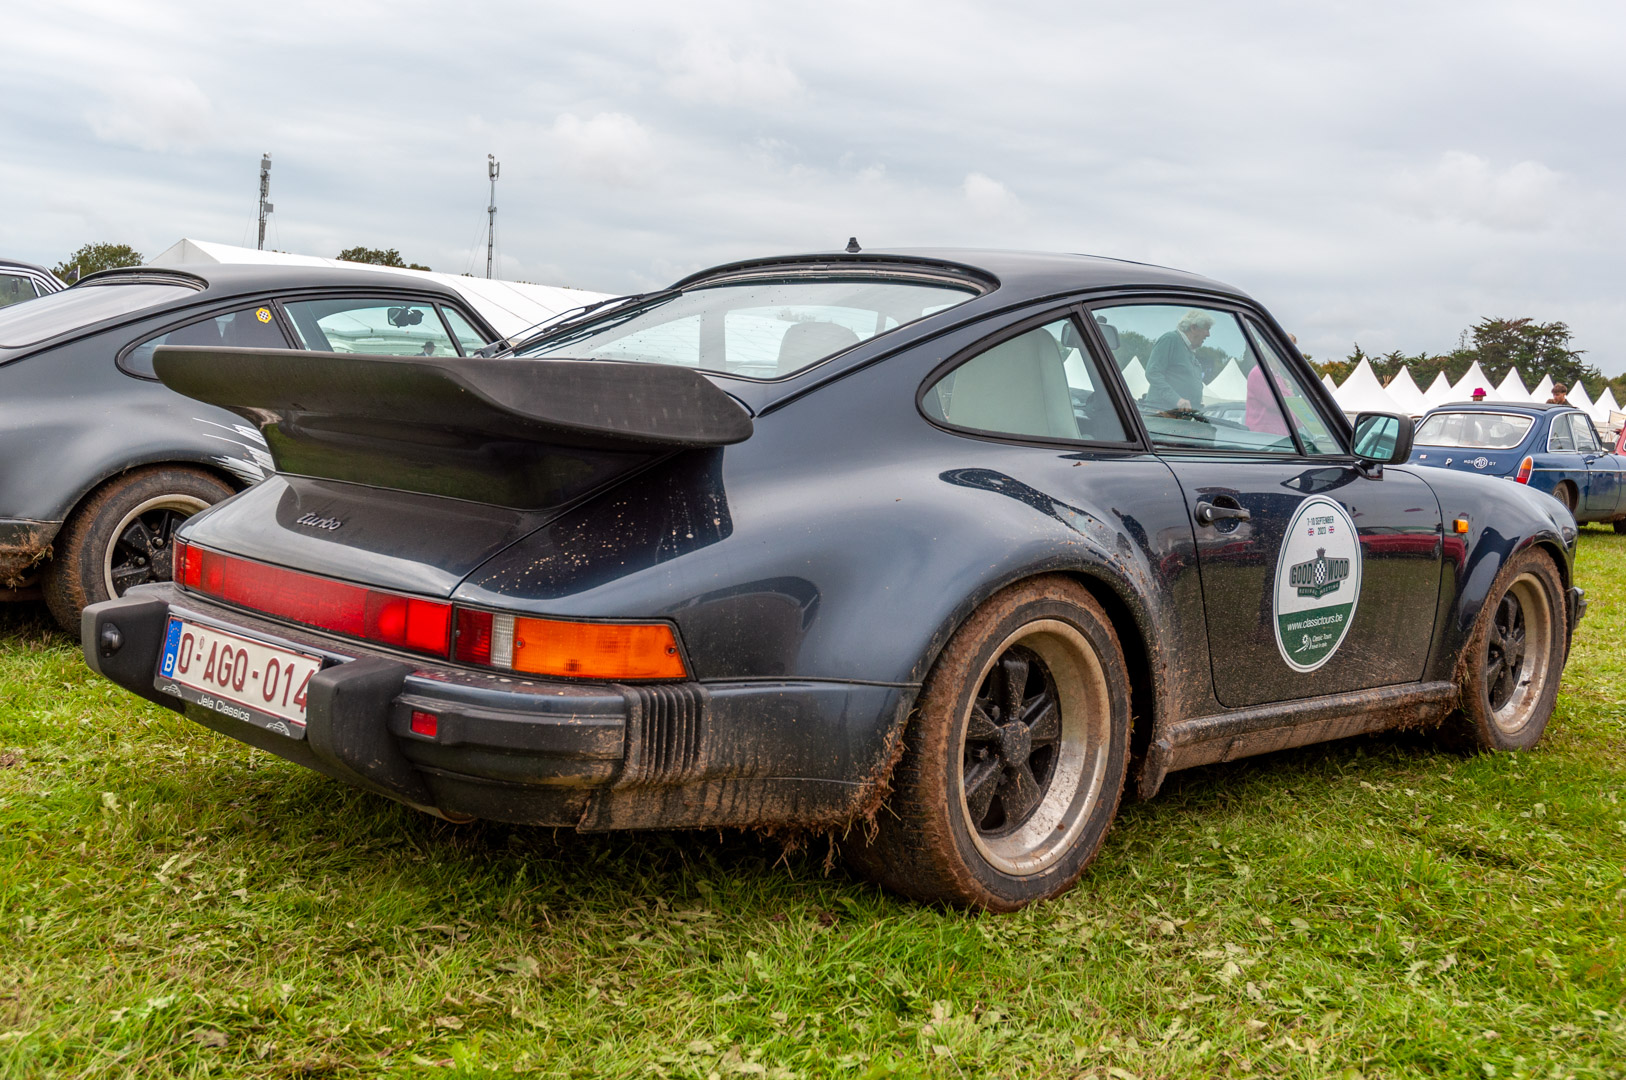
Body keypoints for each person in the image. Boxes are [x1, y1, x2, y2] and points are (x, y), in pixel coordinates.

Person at [1144, 310, 1213, 411]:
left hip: (1179, 418)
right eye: (1206, 329)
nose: (1208, 334)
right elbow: (1152, 373)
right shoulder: (1170, 339)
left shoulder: (1189, 350)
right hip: (1161, 415)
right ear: (1193, 327)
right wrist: (1176, 400)